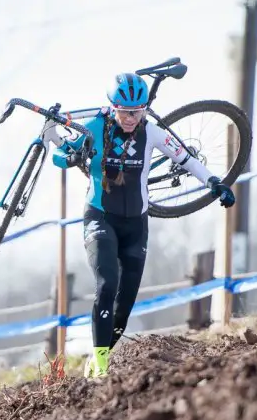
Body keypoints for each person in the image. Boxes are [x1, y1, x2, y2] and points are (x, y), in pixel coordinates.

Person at [43, 72, 236, 379]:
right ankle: (102, 363)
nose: (132, 118)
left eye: (138, 111)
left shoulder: (153, 133)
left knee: (125, 304)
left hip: (136, 225)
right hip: (100, 217)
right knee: (107, 284)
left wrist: (214, 183)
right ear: (113, 107)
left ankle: (98, 359)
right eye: (125, 111)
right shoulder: (94, 127)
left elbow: (186, 159)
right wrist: (70, 157)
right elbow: (58, 155)